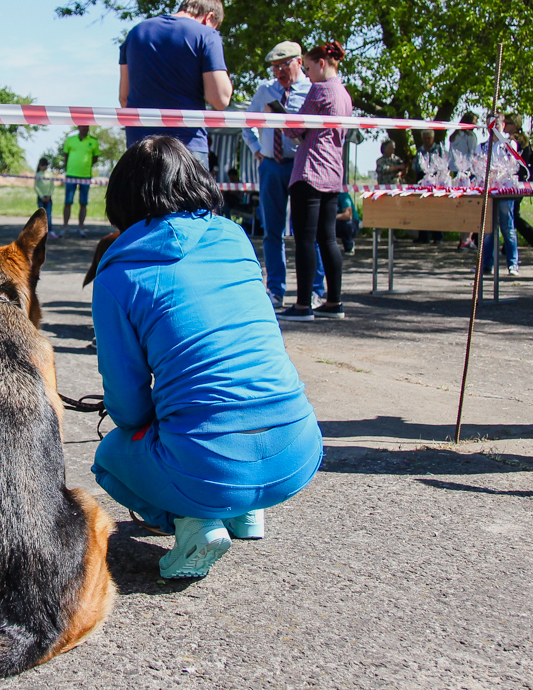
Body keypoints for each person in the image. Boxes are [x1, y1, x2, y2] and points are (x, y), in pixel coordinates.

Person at [90, 136, 322, 579]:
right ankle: (244, 513)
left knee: (111, 456)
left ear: (121, 198)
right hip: (299, 451)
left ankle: (194, 521)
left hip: (207, 463)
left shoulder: (117, 273)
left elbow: (129, 407)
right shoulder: (235, 237)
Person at [242, 40, 326, 310]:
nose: (278, 71)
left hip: (301, 166)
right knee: (272, 231)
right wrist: (257, 148)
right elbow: (248, 124)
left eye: (284, 65)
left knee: (307, 232)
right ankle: (275, 290)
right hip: (270, 166)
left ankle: (315, 289)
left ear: (299, 63)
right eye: (274, 67)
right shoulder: (265, 91)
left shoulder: (313, 90)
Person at [277, 41, 352, 322]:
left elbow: (296, 128)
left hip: (310, 170)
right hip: (333, 172)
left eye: (308, 68)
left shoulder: (319, 90)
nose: (307, 75)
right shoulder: (344, 94)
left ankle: (302, 305)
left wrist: (280, 117)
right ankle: (334, 301)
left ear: (322, 64)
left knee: (305, 239)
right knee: (328, 239)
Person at [118, 0, 233, 168]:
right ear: (209, 17)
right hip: (187, 148)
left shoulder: (136, 32)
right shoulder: (207, 34)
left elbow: (124, 98)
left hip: (139, 146)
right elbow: (220, 99)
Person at [503, 114, 533, 260]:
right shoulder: (524, 141)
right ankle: (506, 249)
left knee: (512, 216)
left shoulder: (514, 141)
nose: (505, 126)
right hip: (520, 182)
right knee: (510, 215)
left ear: (515, 125)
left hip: (515, 183)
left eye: (508, 123)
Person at [479, 129, 520, 276]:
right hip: (489, 191)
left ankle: (512, 264)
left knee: (507, 228)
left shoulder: (509, 144)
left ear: (503, 126)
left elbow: (512, 164)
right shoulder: (483, 146)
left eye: (497, 124)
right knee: (488, 230)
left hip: (504, 192)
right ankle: (486, 264)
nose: (493, 127)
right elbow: (479, 164)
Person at [61, 125, 100, 237]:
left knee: (83, 202)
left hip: (85, 176)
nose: (85, 128)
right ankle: (65, 227)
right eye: (83, 126)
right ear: (78, 127)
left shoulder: (93, 142)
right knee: (68, 202)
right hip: (71, 175)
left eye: (87, 126)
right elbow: (66, 155)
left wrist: (87, 167)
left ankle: (81, 227)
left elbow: (95, 158)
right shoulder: (70, 140)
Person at [449, 114, 479, 251]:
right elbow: (473, 154)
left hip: (455, 173)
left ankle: (463, 238)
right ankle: (467, 238)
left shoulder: (454, 136)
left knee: (461, 206)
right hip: (468, 173)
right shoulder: (470, 136)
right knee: (470, 206)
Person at [411, 130, 445, 243]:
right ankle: (423, 236)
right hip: (422, 179)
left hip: (436, 179)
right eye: (424, 138)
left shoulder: (439, 149)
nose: (426, 140)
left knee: (436, 210)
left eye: (428, 138)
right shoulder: (420, 150)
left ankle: (437, 237)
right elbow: (415, 167)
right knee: (422, 209)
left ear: (433, 138)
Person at [34, 157, 56, 238]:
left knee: (49, 214)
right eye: (43, 165)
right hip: (41, 198)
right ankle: (40, 232)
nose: (44, 167)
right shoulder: (38, 175)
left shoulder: (50, 175)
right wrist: (41, 196)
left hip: (49, 198)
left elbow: (52, 186)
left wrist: (49, 195)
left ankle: (50, 231)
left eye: (46, 165)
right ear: (39, 166)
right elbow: (36, 187)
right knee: (41, 215)